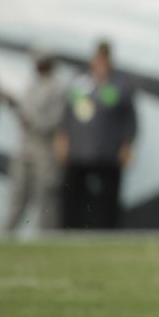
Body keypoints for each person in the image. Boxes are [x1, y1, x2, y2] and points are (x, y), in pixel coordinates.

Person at [55, 40, 137, 229]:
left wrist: (127, 145)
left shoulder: (120, 85)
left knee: (109, 196)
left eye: (104, 58)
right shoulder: (79, 83)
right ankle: (70, 231)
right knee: (72, 194)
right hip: (79, 151)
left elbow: (130, 118)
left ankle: (108, 231)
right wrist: (61, 139)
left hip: (108, 151)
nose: (100, 62)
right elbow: (66, 114)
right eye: (98, 58)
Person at [0, 50, 65, 234]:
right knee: (18, 192)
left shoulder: (57, 88)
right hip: (25, 146)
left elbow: (51, 121)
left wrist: (27, 116)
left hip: (44, 148)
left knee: (45, 195)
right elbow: (23, 111)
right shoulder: (31, 86)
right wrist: (12, 103)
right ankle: (7, 234)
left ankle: (45, 236)